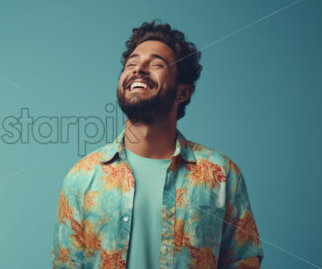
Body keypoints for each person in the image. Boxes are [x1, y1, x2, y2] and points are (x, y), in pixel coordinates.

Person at [50, 19, 264, 269]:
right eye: (131, 64)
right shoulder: (82, 177)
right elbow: (66, 264)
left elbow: (243, 261)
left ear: (183, 92)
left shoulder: (222, 175)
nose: (138, 69)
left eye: (156, 64)